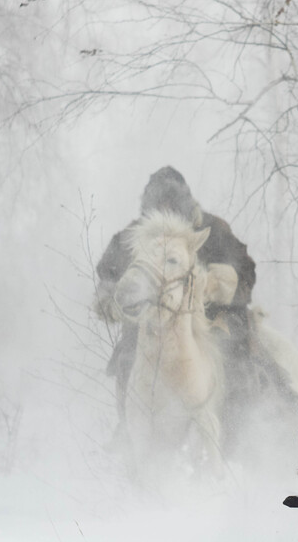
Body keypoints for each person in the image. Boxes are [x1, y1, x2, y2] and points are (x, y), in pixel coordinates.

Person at [95, 166, 257, 429]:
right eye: (158, 203)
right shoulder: (135, 235)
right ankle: (128, 430)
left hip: (210, 318)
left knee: (236, 356)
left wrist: (221, 284)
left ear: (183, 202)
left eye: (171, 202)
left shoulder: (212, 229)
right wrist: (110, 296)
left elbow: (245, 269)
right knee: (127, 356)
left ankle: (239, 429)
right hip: (149, 321)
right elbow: (108, 272)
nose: (165, 207)